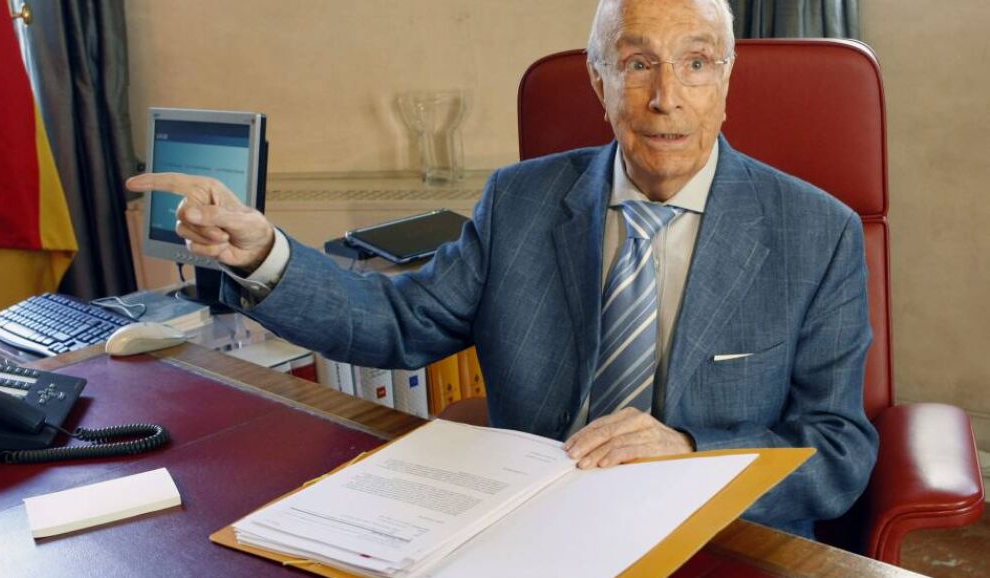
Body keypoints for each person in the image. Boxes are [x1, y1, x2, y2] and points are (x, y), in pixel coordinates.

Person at [127, 0, 877, 538]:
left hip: (717, 536)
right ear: (599, 82)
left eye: (697, 64)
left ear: (726, 81)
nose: (665, 98)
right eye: (637, 64)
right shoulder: (521, 201)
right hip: (531, 527)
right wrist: (262, 251)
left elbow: (838, 452)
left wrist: (688, 451)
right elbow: (399, 323)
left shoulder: (817, 233)